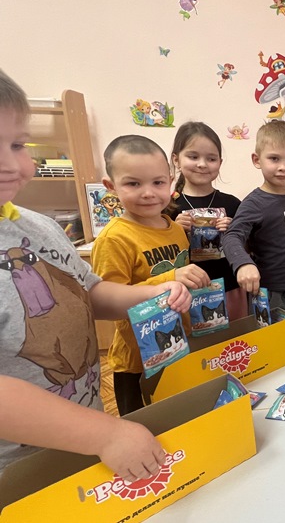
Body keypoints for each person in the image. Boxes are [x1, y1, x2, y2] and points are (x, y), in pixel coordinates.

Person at [0, 69, 191, 482]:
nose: (12, 164)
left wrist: (157, 292)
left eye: (17, 144)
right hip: (17, 471)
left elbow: (91, 292)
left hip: (82, 436)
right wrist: (105, 434)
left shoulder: (38, 226)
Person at [92, 135, 209, 416]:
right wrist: (171, 279)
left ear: (170, 182)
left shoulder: (176, 229)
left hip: (177, 346)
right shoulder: (114, 238)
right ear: (110, 186)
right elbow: (107, 302)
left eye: (157, 182)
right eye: (133, 184)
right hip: (137, 361)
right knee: (142, 425)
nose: (148, 193)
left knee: (179, 417)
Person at [222, 120, 285, 318]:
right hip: (270, 291)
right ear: (257, 160)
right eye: (274, 159)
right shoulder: (254, 203)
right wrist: (243, 264)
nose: (283, 167)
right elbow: (231, 236)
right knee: (276, 336)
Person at [166, 121, 246, 320]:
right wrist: (174, 230)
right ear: (176, 160)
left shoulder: (232, 204)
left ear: (220, 162)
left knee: (235, 338)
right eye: (193, 157)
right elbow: (161, 254)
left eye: (211, 158)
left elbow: (250, 248)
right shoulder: (168, 208)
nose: (202, 164)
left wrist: (233, 232)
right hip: (185, 295)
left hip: (230, 288)